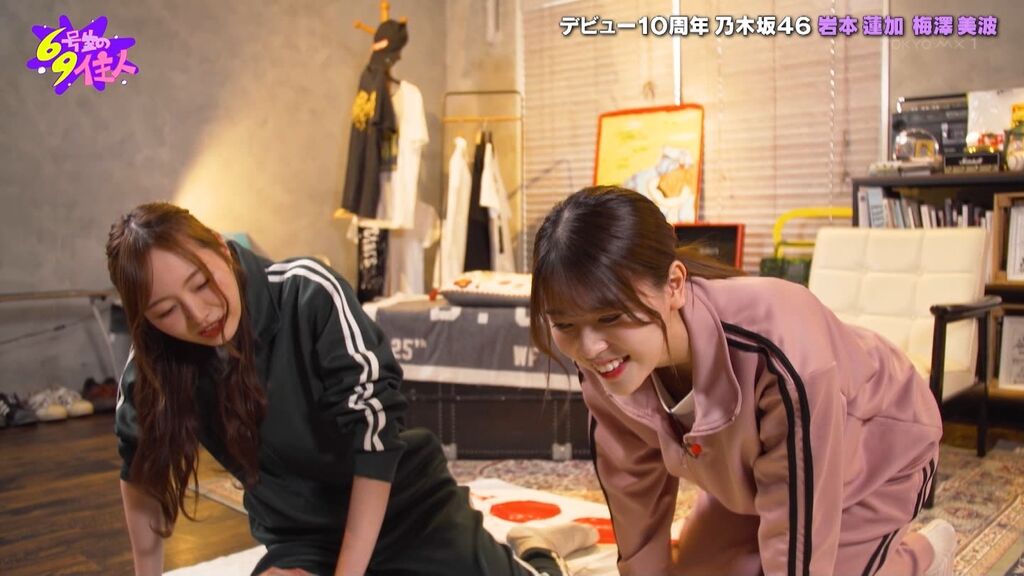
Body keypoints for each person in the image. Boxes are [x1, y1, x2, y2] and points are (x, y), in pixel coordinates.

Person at [106, 202, 596, 576]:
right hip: (303, 536)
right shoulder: (153, 365)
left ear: (219, 245)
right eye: (166, 310)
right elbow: (142, 475)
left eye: (200, 283)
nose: (199, 315)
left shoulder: (306, 292)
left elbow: (374, 439)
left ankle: (537, 550)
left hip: (407, 510)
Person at [527, 186, 958, 576]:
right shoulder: (606, 364)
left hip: (876, 455)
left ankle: (922, 556)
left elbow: (800, 551)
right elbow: (633, 496)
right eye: (564, 324)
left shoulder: (783, 349)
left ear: (674, 284)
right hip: (753, 474)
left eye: (610, 317)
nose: (590, 348)